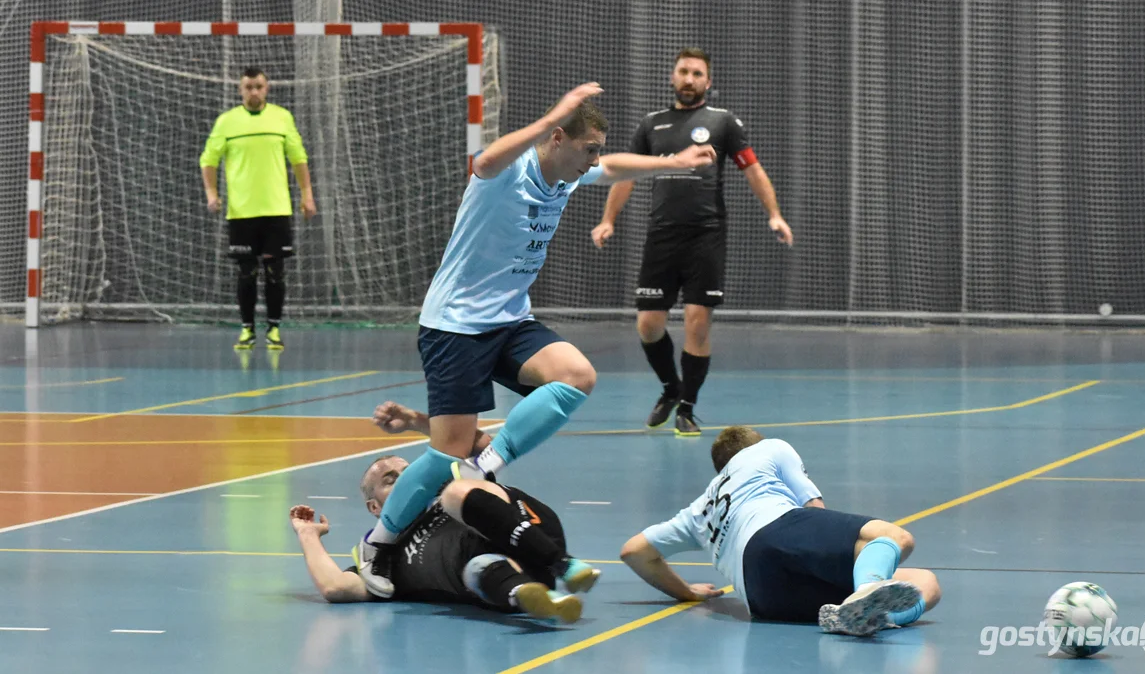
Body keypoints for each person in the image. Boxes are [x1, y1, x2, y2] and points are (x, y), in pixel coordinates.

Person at [355, 83, 718, 598]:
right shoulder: (506, 177)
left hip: (508, 321)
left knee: (576, 375)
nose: (592, 159)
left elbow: (613, 167)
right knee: (443, 454)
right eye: (586, 148)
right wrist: (555, 108)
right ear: (555, 138)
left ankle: (487, 465)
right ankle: (378, 546)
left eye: (594, 149)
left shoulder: (565, 177)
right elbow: (483, 159)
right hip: (455, 325)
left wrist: (675, 163)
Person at [591, 48, 793, 436]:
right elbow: (626, 175)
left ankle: (687, 407)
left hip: (706, 235)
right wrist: (607, 221)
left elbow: (752, 169)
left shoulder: (723, 123)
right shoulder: (652, 124)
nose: (689, 78)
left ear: (708, 81)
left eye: (697, 73)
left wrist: (775, 214)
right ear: (672, 76)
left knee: (698, 322)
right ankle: (670, 388)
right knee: (648, 325)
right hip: (662, 234)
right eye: (683, 71)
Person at [620, 426, 941, 636]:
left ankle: (864, 615)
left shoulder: (698, 510)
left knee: (925, 582)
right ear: (751, 447)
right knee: (892, 538)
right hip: (776, 528)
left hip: (762, 598)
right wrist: (842, 553)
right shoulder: (768, 449)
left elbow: (634, 552)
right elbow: (815, 509)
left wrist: (688, 592)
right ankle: (866, 590)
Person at [289, 454, 598, 623]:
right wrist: (307, 533)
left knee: (460, 489)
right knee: (479, 566)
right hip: (497, 583)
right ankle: (543, 599)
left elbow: (473, 447)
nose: (407, 482)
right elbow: (335, 587)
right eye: (391, 480)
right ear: (375, 507)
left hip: (531, 533)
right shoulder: (381, 561)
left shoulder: (443, 492)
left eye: (410, 474)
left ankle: (563, 564)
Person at [200, 66, 316, 351]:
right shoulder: (227, 122)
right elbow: (208, 160)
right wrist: (212, 193)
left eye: (259, 86)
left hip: (276, 209)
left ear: (267, 88)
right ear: (241, 90)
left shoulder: (281, 118)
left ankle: (274, 329)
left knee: (275, 272)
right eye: (248, 87)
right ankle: (247, 330)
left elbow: (298, 158)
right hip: (241, 212)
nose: (254, 91)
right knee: (246, 272)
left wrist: (307, 194)